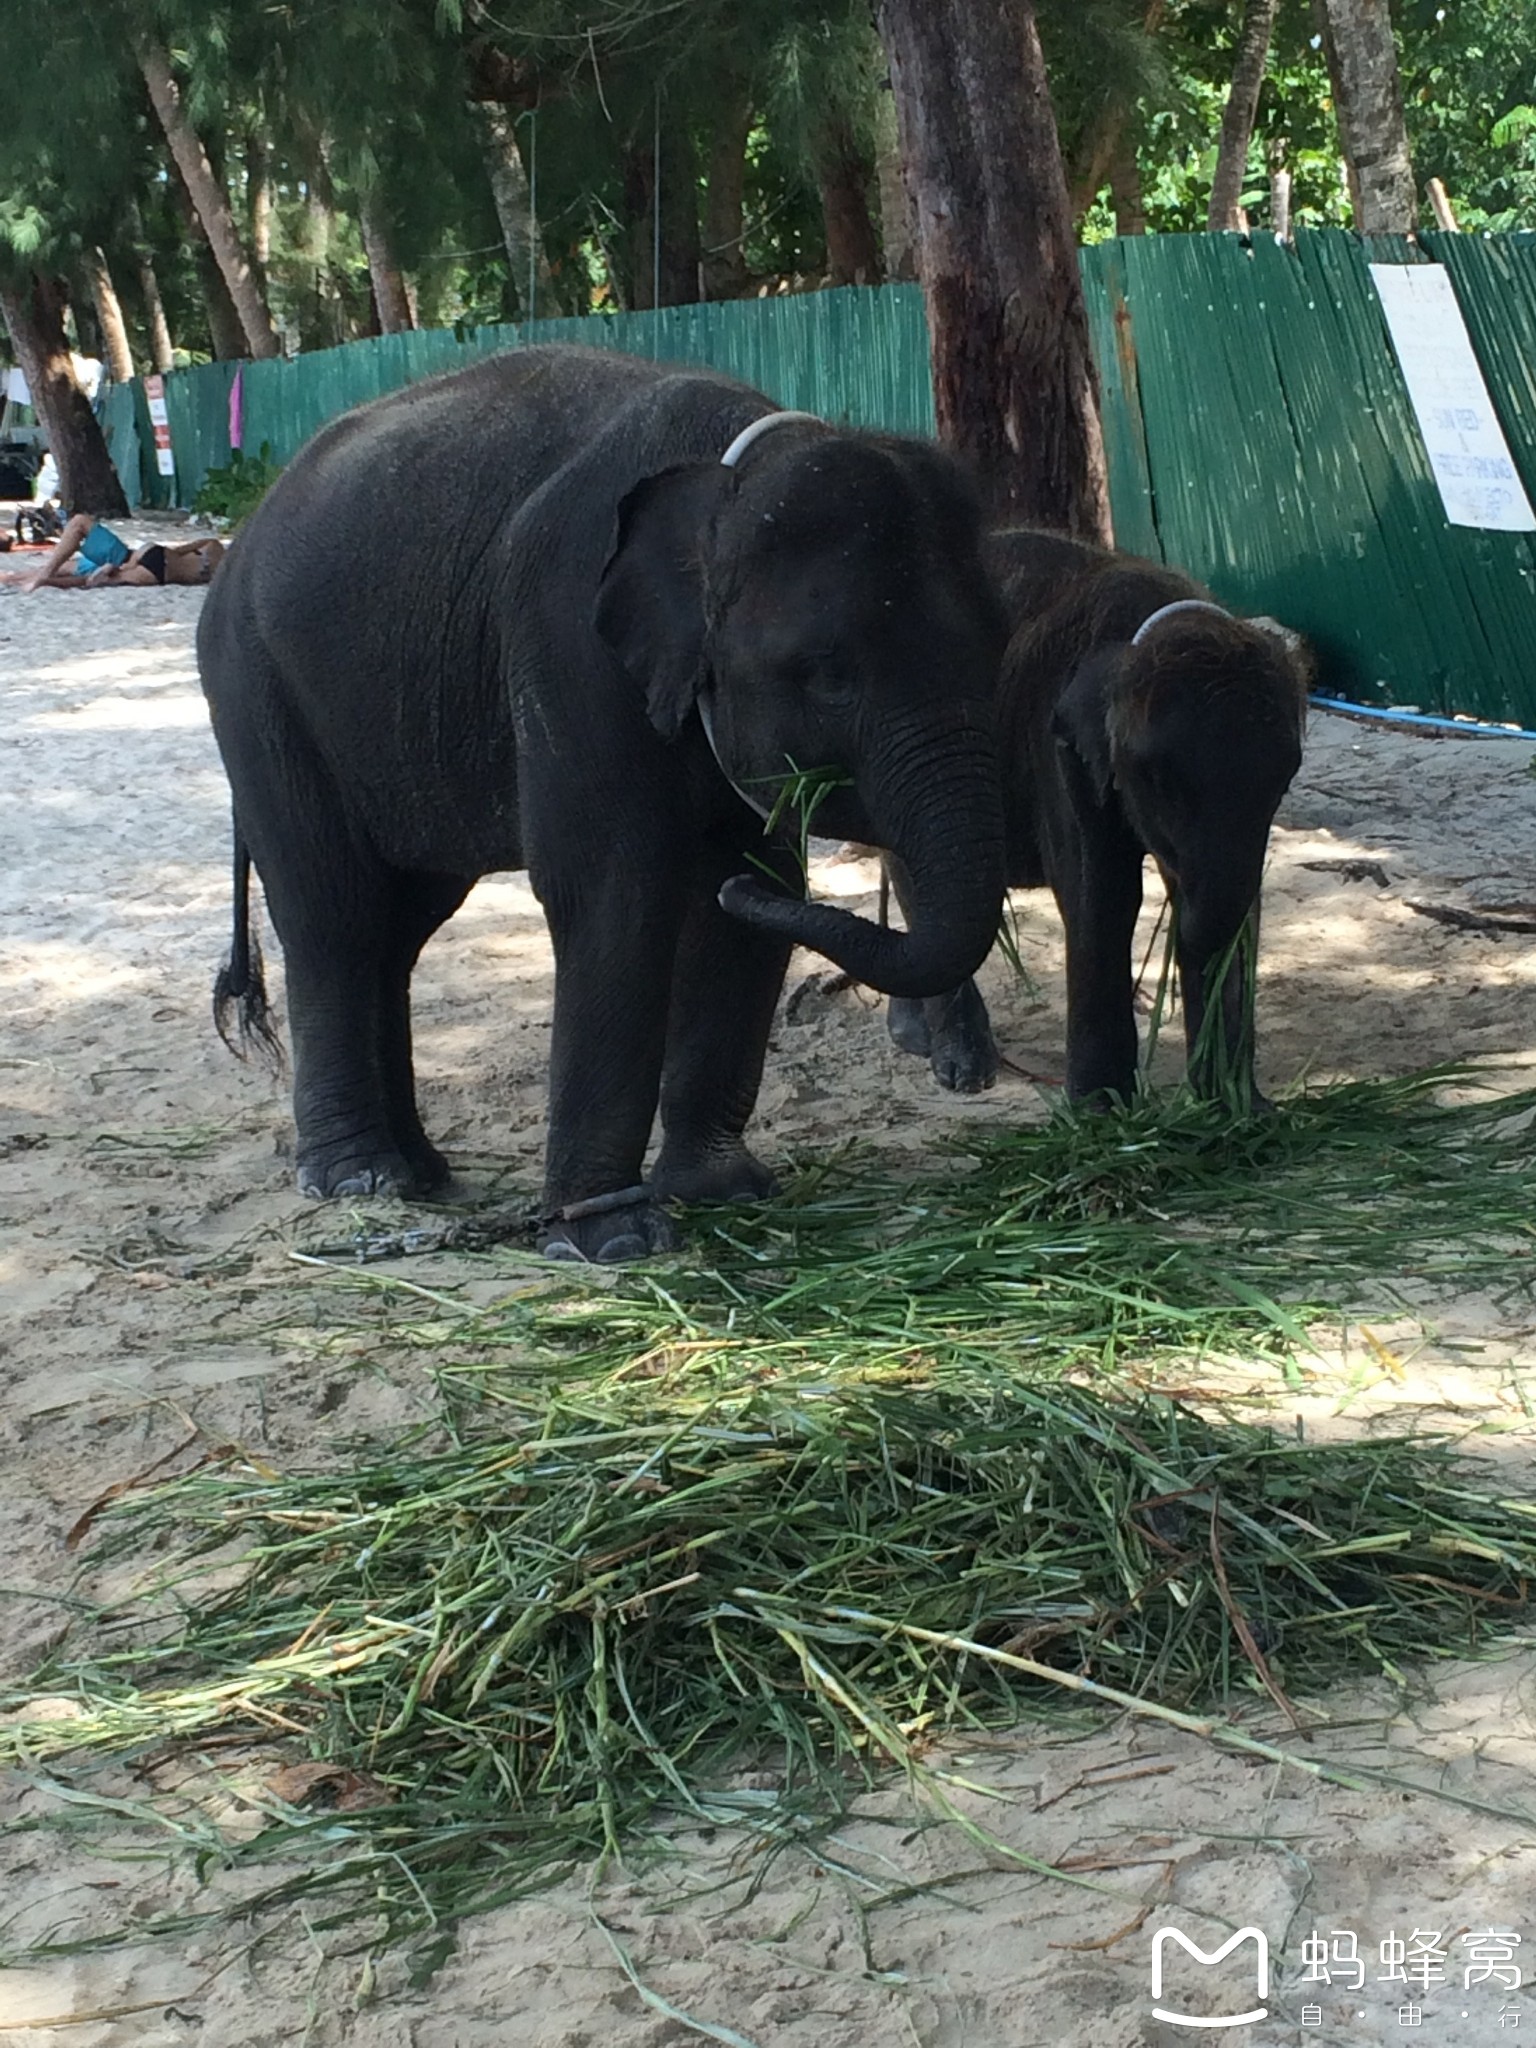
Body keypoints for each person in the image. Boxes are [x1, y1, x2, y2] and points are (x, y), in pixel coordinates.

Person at [21, 511, 223, 591]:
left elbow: (176, 551)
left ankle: (43, 577)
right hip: (155, 570)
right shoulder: (217, 570)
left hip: (147, 557)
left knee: (78, 524)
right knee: (86, 577)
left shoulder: (213, 546)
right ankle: (42, 580)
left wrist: (132, 561)